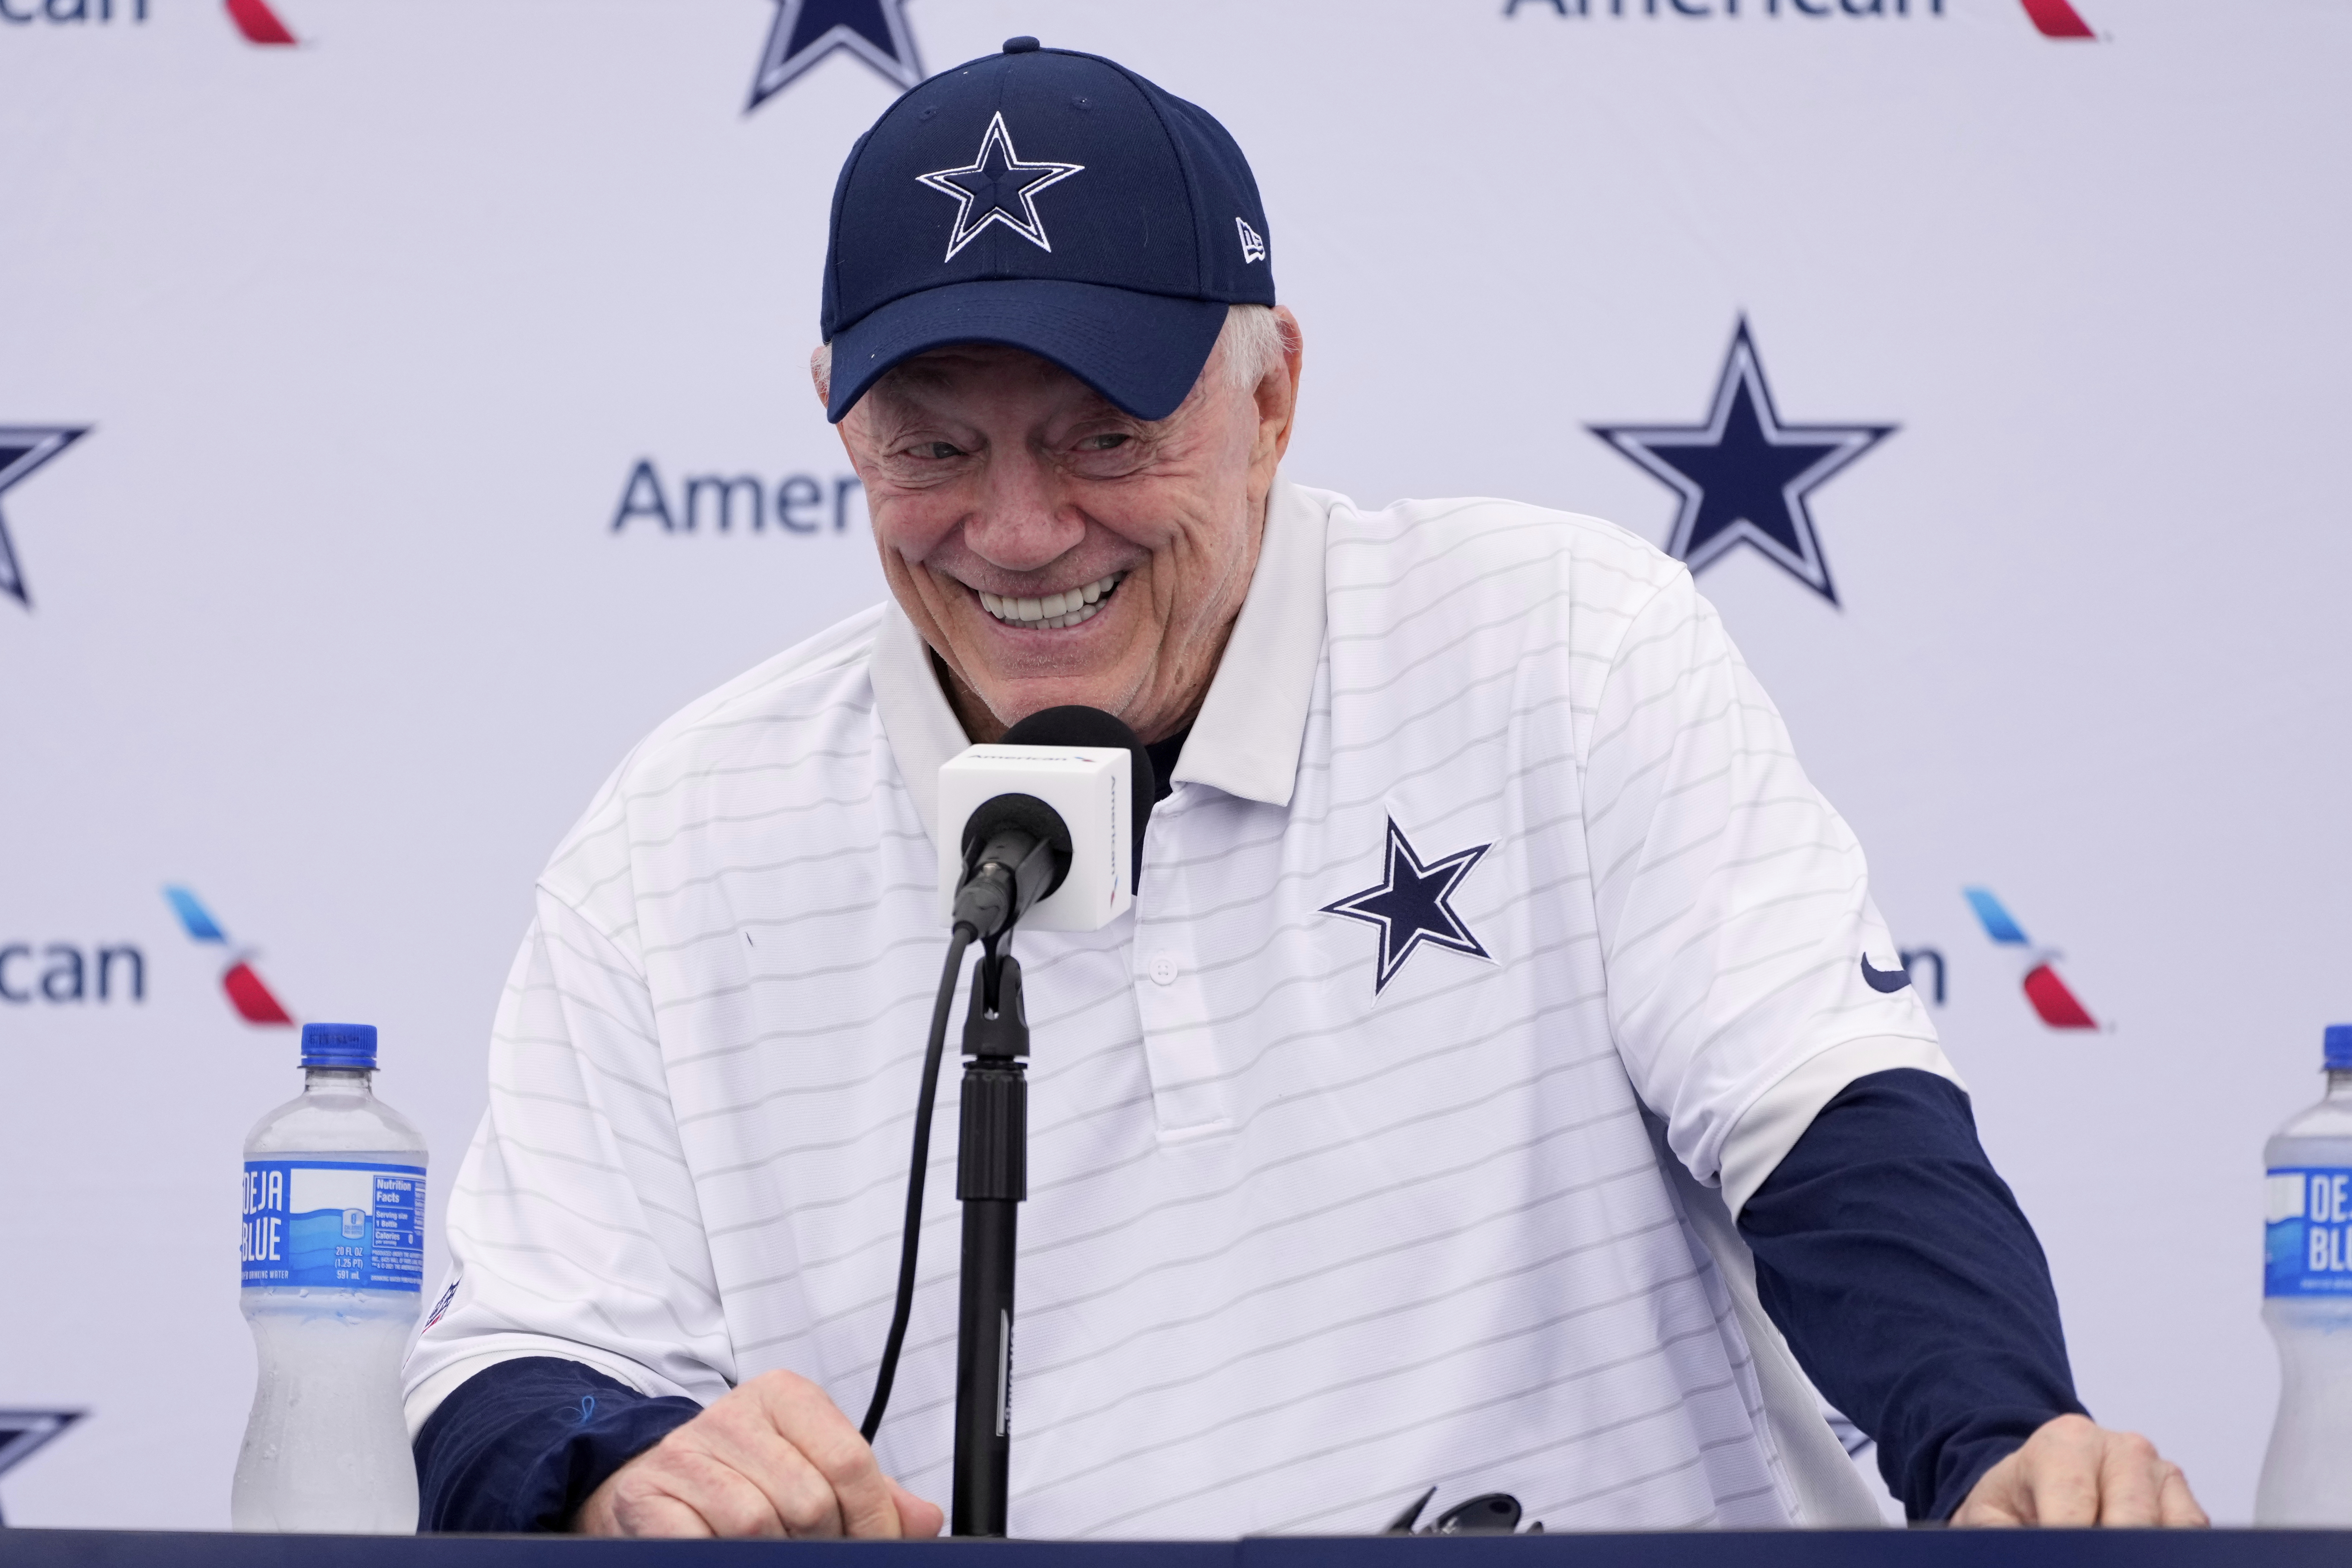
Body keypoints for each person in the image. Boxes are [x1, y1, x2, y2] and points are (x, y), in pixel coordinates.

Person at [403, 39, 2203, 1538]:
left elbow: (1821, 1117)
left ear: (1271, 400)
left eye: (1106, 436)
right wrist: (619, 1461)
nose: (1018, 531)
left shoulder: (1557, 641)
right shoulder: (681, 835)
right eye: (931, 445)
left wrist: (1992, 1443)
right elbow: (507, 1367)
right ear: (833, 414)